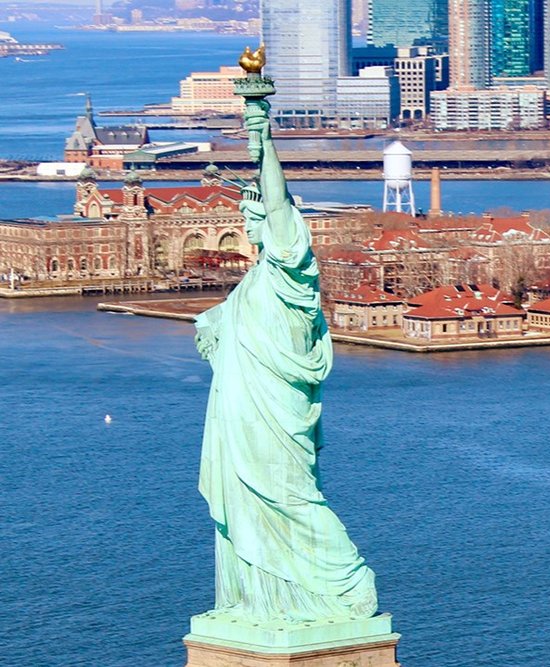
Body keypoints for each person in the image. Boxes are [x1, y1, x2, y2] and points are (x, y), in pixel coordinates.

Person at [193, 99, 377, 623]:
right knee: (247, 500)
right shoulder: (253, 281)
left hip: (276, 405)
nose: (251, 222)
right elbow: (223, 329)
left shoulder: (290, 271)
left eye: (259, 217)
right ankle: (257, 599)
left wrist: (263, 139)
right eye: (247, 217)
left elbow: (279, 206)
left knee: (290, 495)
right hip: (241, 407)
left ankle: (346, 581)